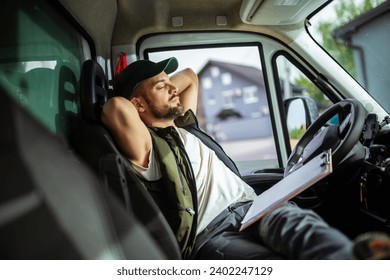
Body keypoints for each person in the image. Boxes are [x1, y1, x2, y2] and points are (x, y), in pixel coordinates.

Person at [101, 57, 354, 259]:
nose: (172, 88)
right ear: (139, 105)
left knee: (306, 229)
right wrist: (138, 94)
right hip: (213, 233)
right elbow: (116, 108)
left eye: (169, 82)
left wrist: (160, 88)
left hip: (255, 207)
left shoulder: (184, 127)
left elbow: (190, 75)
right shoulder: (147, 147)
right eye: (161, 86)